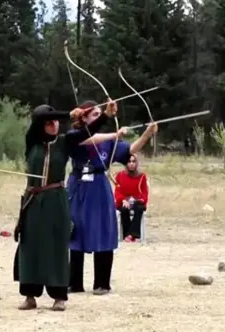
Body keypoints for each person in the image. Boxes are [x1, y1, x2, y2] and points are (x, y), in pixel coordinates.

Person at [13, 102, 125, 312]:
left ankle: (58, 297)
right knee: (31, 246)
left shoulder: (65, 142)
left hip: (56, 199)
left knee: (56, 246)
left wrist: (106, 116)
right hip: (33, 200)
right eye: (49, 122)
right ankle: (30, 295)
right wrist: (68, 113)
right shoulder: (32, 142)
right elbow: (37, 116)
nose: (54, 125)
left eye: (56, 122)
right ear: (41, 125)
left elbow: (88, 131)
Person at [67, 100, 157, 295]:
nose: (99, 118)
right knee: (75, 230)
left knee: (102, 229)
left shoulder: (108, 140)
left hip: (99, 187)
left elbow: (130, 150)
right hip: (78, 186)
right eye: (94, 115)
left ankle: (102, 283)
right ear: (83, 118)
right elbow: (87, 138)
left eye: (100, 114)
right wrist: (115, 133)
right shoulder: (74, 136)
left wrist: (147, 134)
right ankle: (74, 282)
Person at [115, 153, 149, 242]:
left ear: (136, 163)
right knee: (124, 209)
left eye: (133, 161)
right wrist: (123, 200)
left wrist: (140, 199)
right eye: (129, 161)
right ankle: (127, 234)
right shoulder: (120, 175)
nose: (131, 163)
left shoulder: (142, 176)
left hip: (136, 201)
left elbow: (145, 192)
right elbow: (117, 191)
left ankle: (132, 234)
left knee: (139, 207)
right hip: (123, 201)